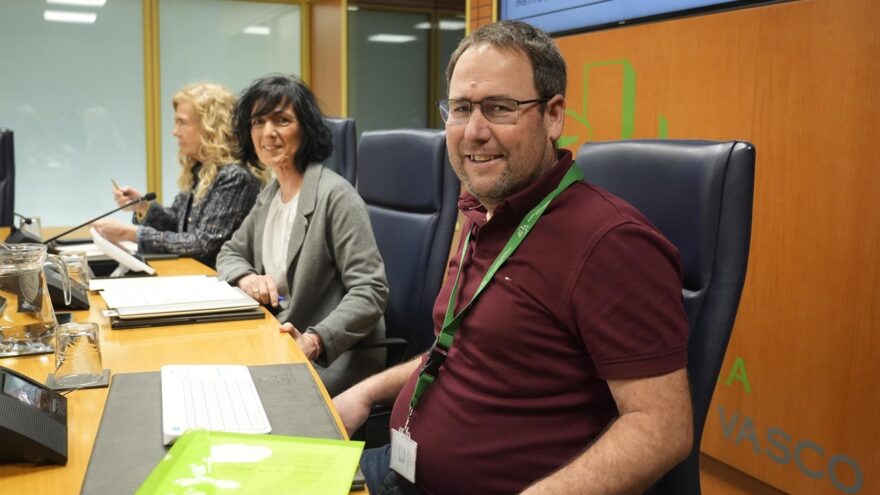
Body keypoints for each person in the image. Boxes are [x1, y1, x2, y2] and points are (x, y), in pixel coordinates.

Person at [333, 20, 693, 495]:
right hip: (399, 471)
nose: (474, 132)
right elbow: (463, 347)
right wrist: (364, 391)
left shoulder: (611, 242)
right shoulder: (483, 213)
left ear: (553, 115)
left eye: (499, 108)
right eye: (460, 109)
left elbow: (660, 429)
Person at [215, 75, 388, 396]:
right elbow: (228, 252)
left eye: (282, 120)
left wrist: (314, 340)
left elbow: (371, 291)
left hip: (334, 357)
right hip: (279, 344)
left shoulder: (335, 196)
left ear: (305, 128)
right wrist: (246, 278)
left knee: (236, 400)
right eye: (258, 121)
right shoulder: (270, 196)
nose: (268, 132)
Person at [92, 82, 265, 268]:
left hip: (220, 285)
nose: (174, 132)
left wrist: (131, 234)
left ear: (210, 127)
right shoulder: (200, 169)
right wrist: (143, 207)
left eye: (181, 122)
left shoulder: (235, 176)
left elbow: (202, 244)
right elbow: (178, 224)